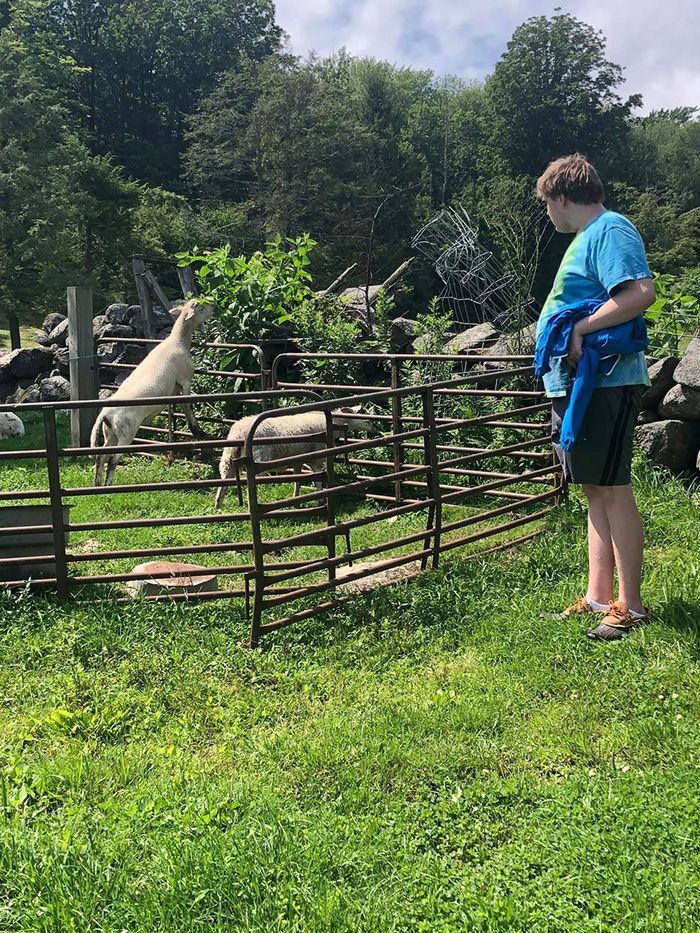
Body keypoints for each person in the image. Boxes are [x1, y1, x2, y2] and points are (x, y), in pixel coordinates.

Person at [535, 153, 656, 641]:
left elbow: (640, 293)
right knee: (594, 488)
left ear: (562, 197)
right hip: (581, 385)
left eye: (547, 203)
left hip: (605, 382)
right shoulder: (588, 236)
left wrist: (581, 327)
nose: (548, 213)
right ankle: (599, 597)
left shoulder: (610, 229)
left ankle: (632, 606)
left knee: (613, 488)